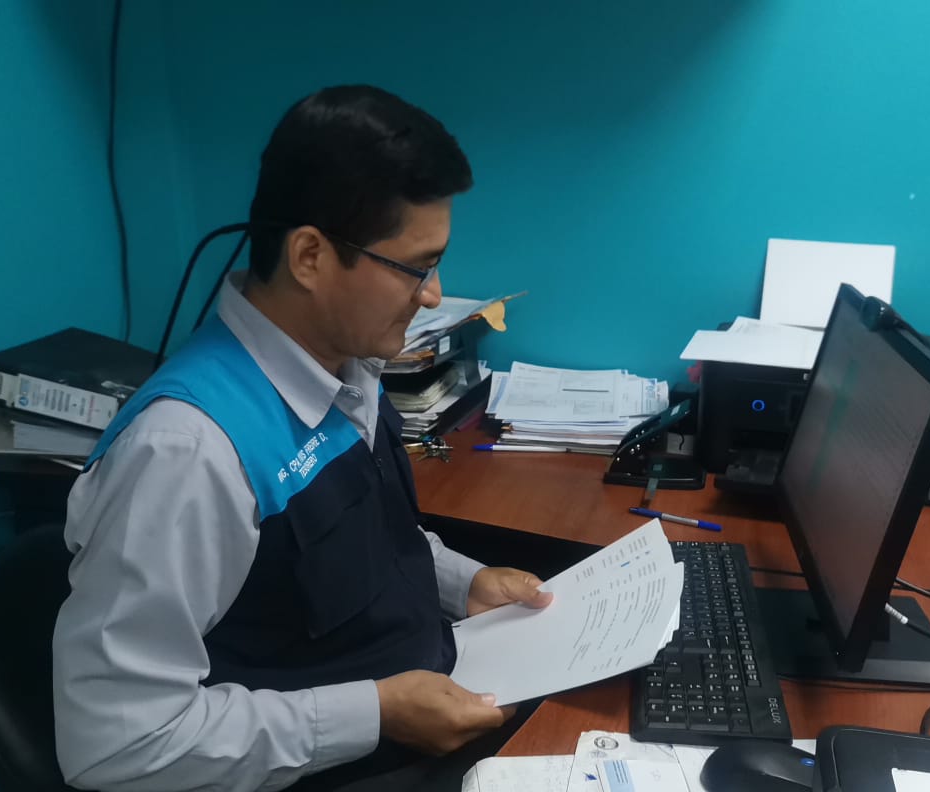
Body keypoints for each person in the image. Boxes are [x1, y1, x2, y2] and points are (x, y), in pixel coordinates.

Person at [51, 85, 553, 792]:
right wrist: (376, 714)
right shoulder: (187, 453)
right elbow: (117, 744)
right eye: (417, 268)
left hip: (433, 696)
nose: (434, 294)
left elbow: (359, 547)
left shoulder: (349, 364)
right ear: (310, 256)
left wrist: (462, 583)